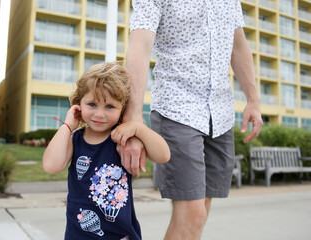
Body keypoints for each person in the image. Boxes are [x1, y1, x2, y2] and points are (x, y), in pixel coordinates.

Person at [120, 1, 263, 239]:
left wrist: (253, 100)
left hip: (220, 114)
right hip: (178, 108)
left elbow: (238, 46)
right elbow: (140, 47)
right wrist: (133, 119)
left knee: (200, 211)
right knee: (193, 214)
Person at [42, 62, 170, 240]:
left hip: (121, 235)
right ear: (79, 104)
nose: (99, 114)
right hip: (79, 235)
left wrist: (138, 128)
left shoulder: (123, 138)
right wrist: (68, 125)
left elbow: (164, 155)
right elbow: (50, 165)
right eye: (92, 104)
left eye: (109, 106)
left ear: (122, 107)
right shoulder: (75, 140)